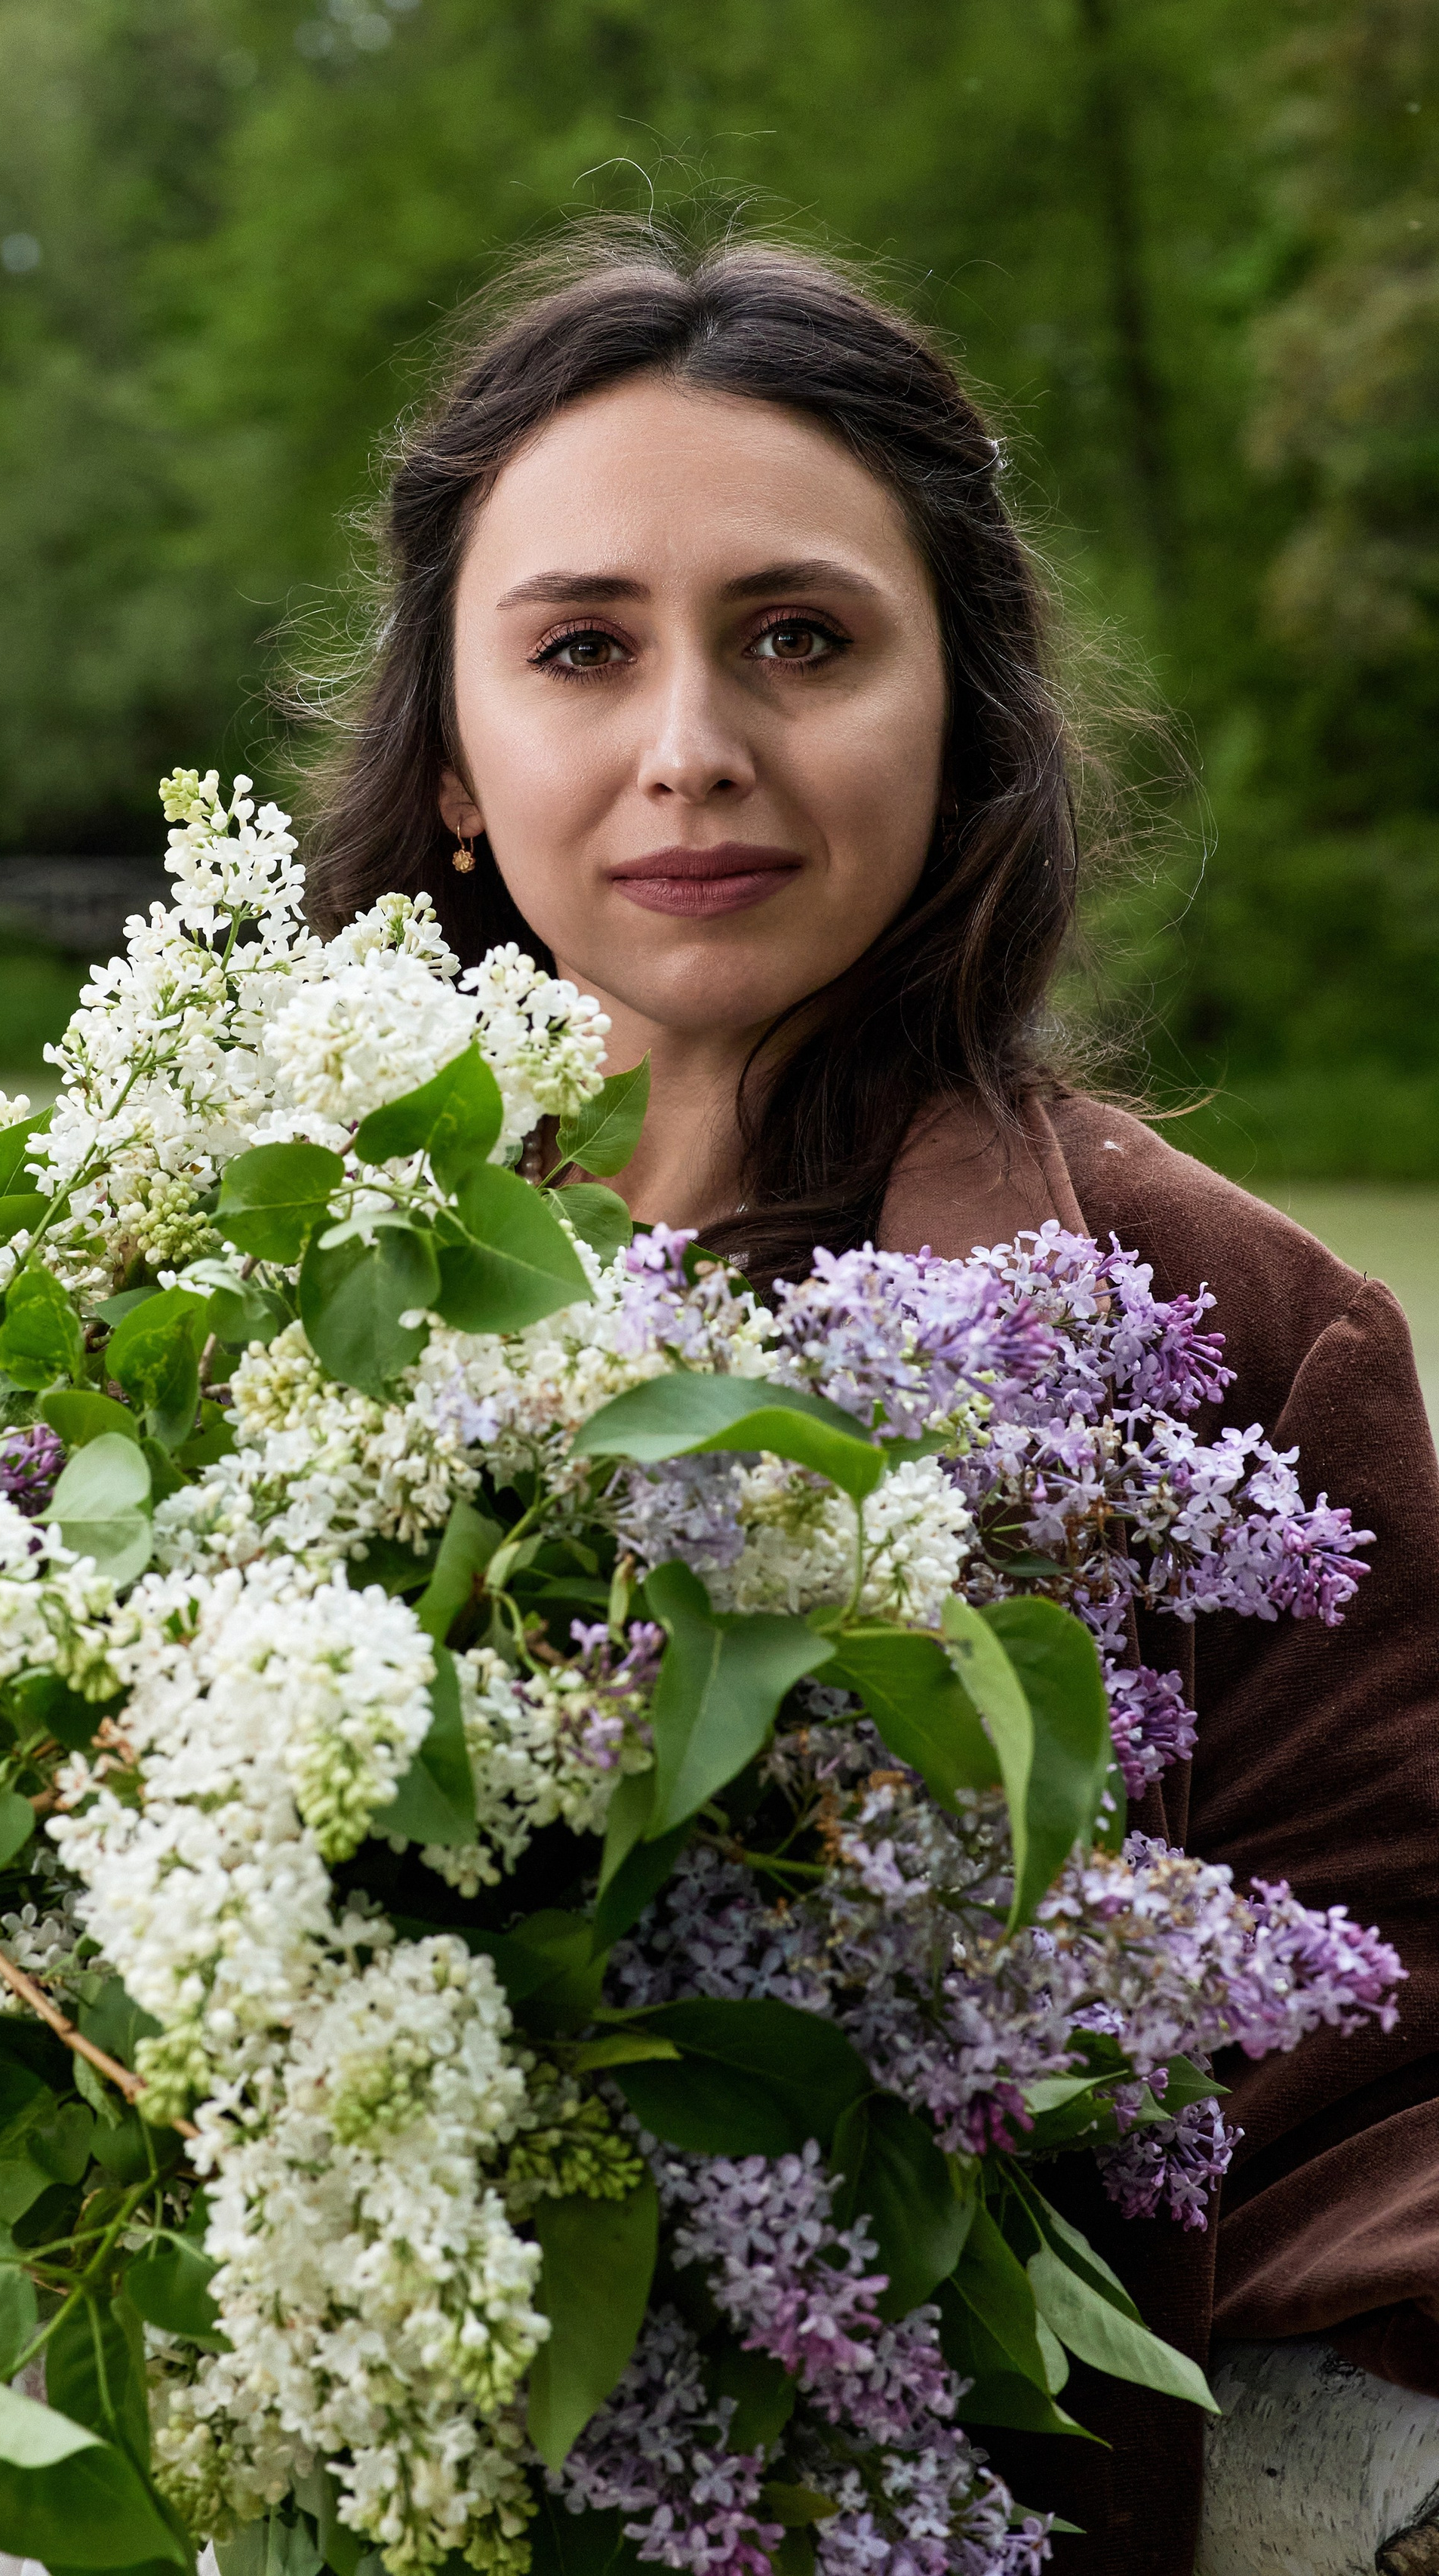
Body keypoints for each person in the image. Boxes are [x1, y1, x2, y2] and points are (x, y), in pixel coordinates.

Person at [301, 222, 1439, 2576]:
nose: (694, 744)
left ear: (966, 712)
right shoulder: (242, 1299)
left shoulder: (1236, 1333)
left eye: (801, 639)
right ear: (448, 766)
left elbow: (1375, 2118)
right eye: (584, 649)